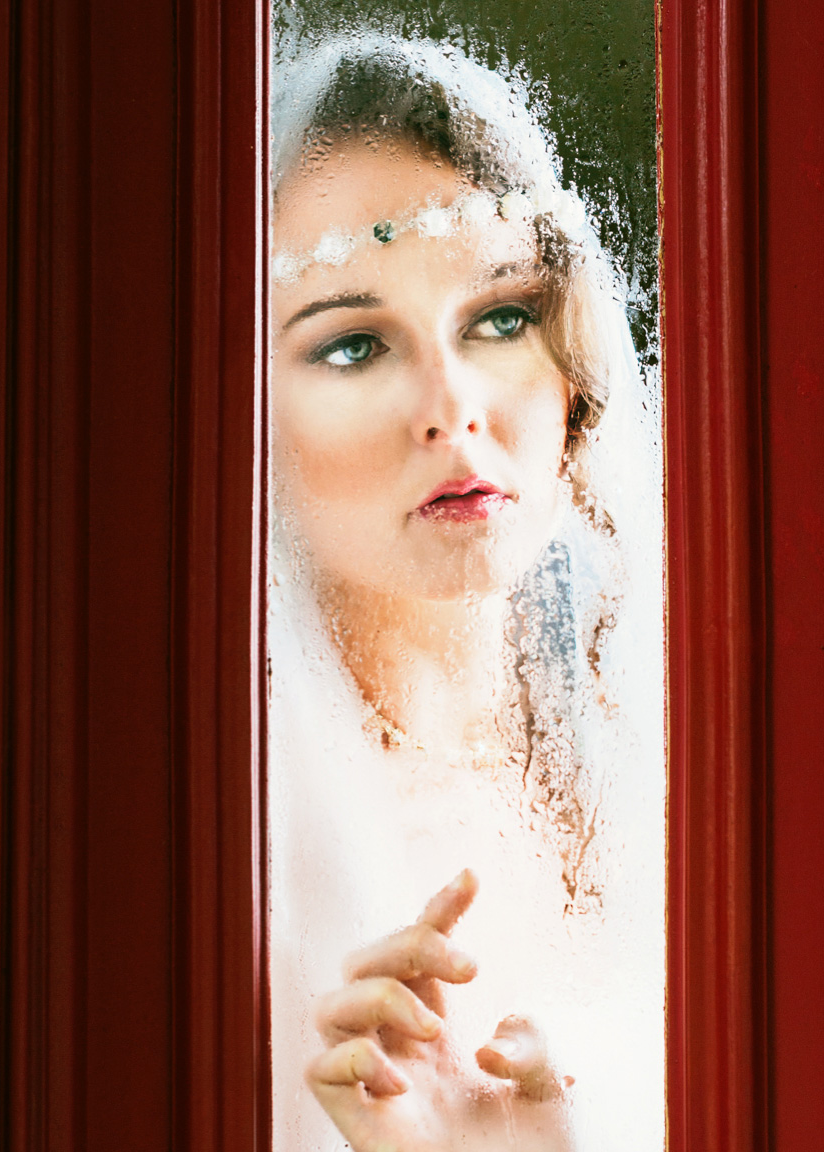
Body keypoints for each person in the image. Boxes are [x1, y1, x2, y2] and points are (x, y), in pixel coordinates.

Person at [268, 36, 665, 1152]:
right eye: (352, 347)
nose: (453, 407)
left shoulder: (670, 733)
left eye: (499, 318)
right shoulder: (227, 839)